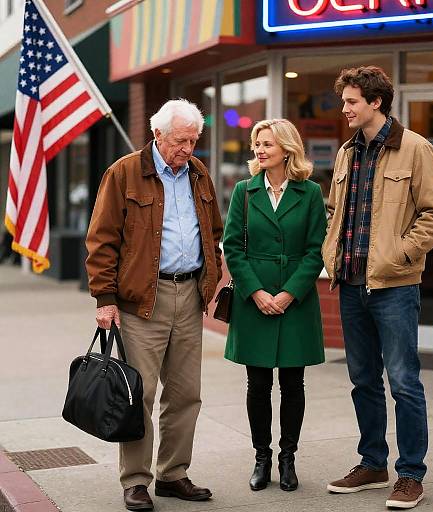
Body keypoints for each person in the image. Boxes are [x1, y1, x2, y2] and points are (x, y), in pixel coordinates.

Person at [85, 99, 223, 511]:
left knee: (185, 394)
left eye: (194, 140)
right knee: (138, 395)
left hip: (189, 296)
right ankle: (136, 480)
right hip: (142, 299)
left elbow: (213, 228)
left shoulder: (199, 173)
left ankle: (173, 473)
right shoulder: (124, 172)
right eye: (181, 140)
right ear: (158, 134)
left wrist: (210, 278)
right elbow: (102, 238)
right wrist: (104, 299)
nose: (188, 148)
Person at [322, 66, 433, 509]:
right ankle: (373, 462)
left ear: (375, 102)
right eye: (345, 101)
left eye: (352, 101)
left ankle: (410, 473)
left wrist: (400, 255)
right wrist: (330, 253)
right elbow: (336, 210)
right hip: (352, 285)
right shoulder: (346, 153)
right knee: (363, 380)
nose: (345, 108)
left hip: (394, 287)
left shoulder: (415, 148)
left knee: (403, 382)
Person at [223, 119, 326, 493]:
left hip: (295, 301)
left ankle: (288, 458)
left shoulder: (311, 192)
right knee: (258, 383)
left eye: (267, 144)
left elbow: (317, 249)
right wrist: (255, 292)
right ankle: (262, 458)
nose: (260, 150)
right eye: (257, 144)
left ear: (287, 148)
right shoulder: (244, 192)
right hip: (255, 301)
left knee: (293, 383)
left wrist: (289, 293)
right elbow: (232, 247)